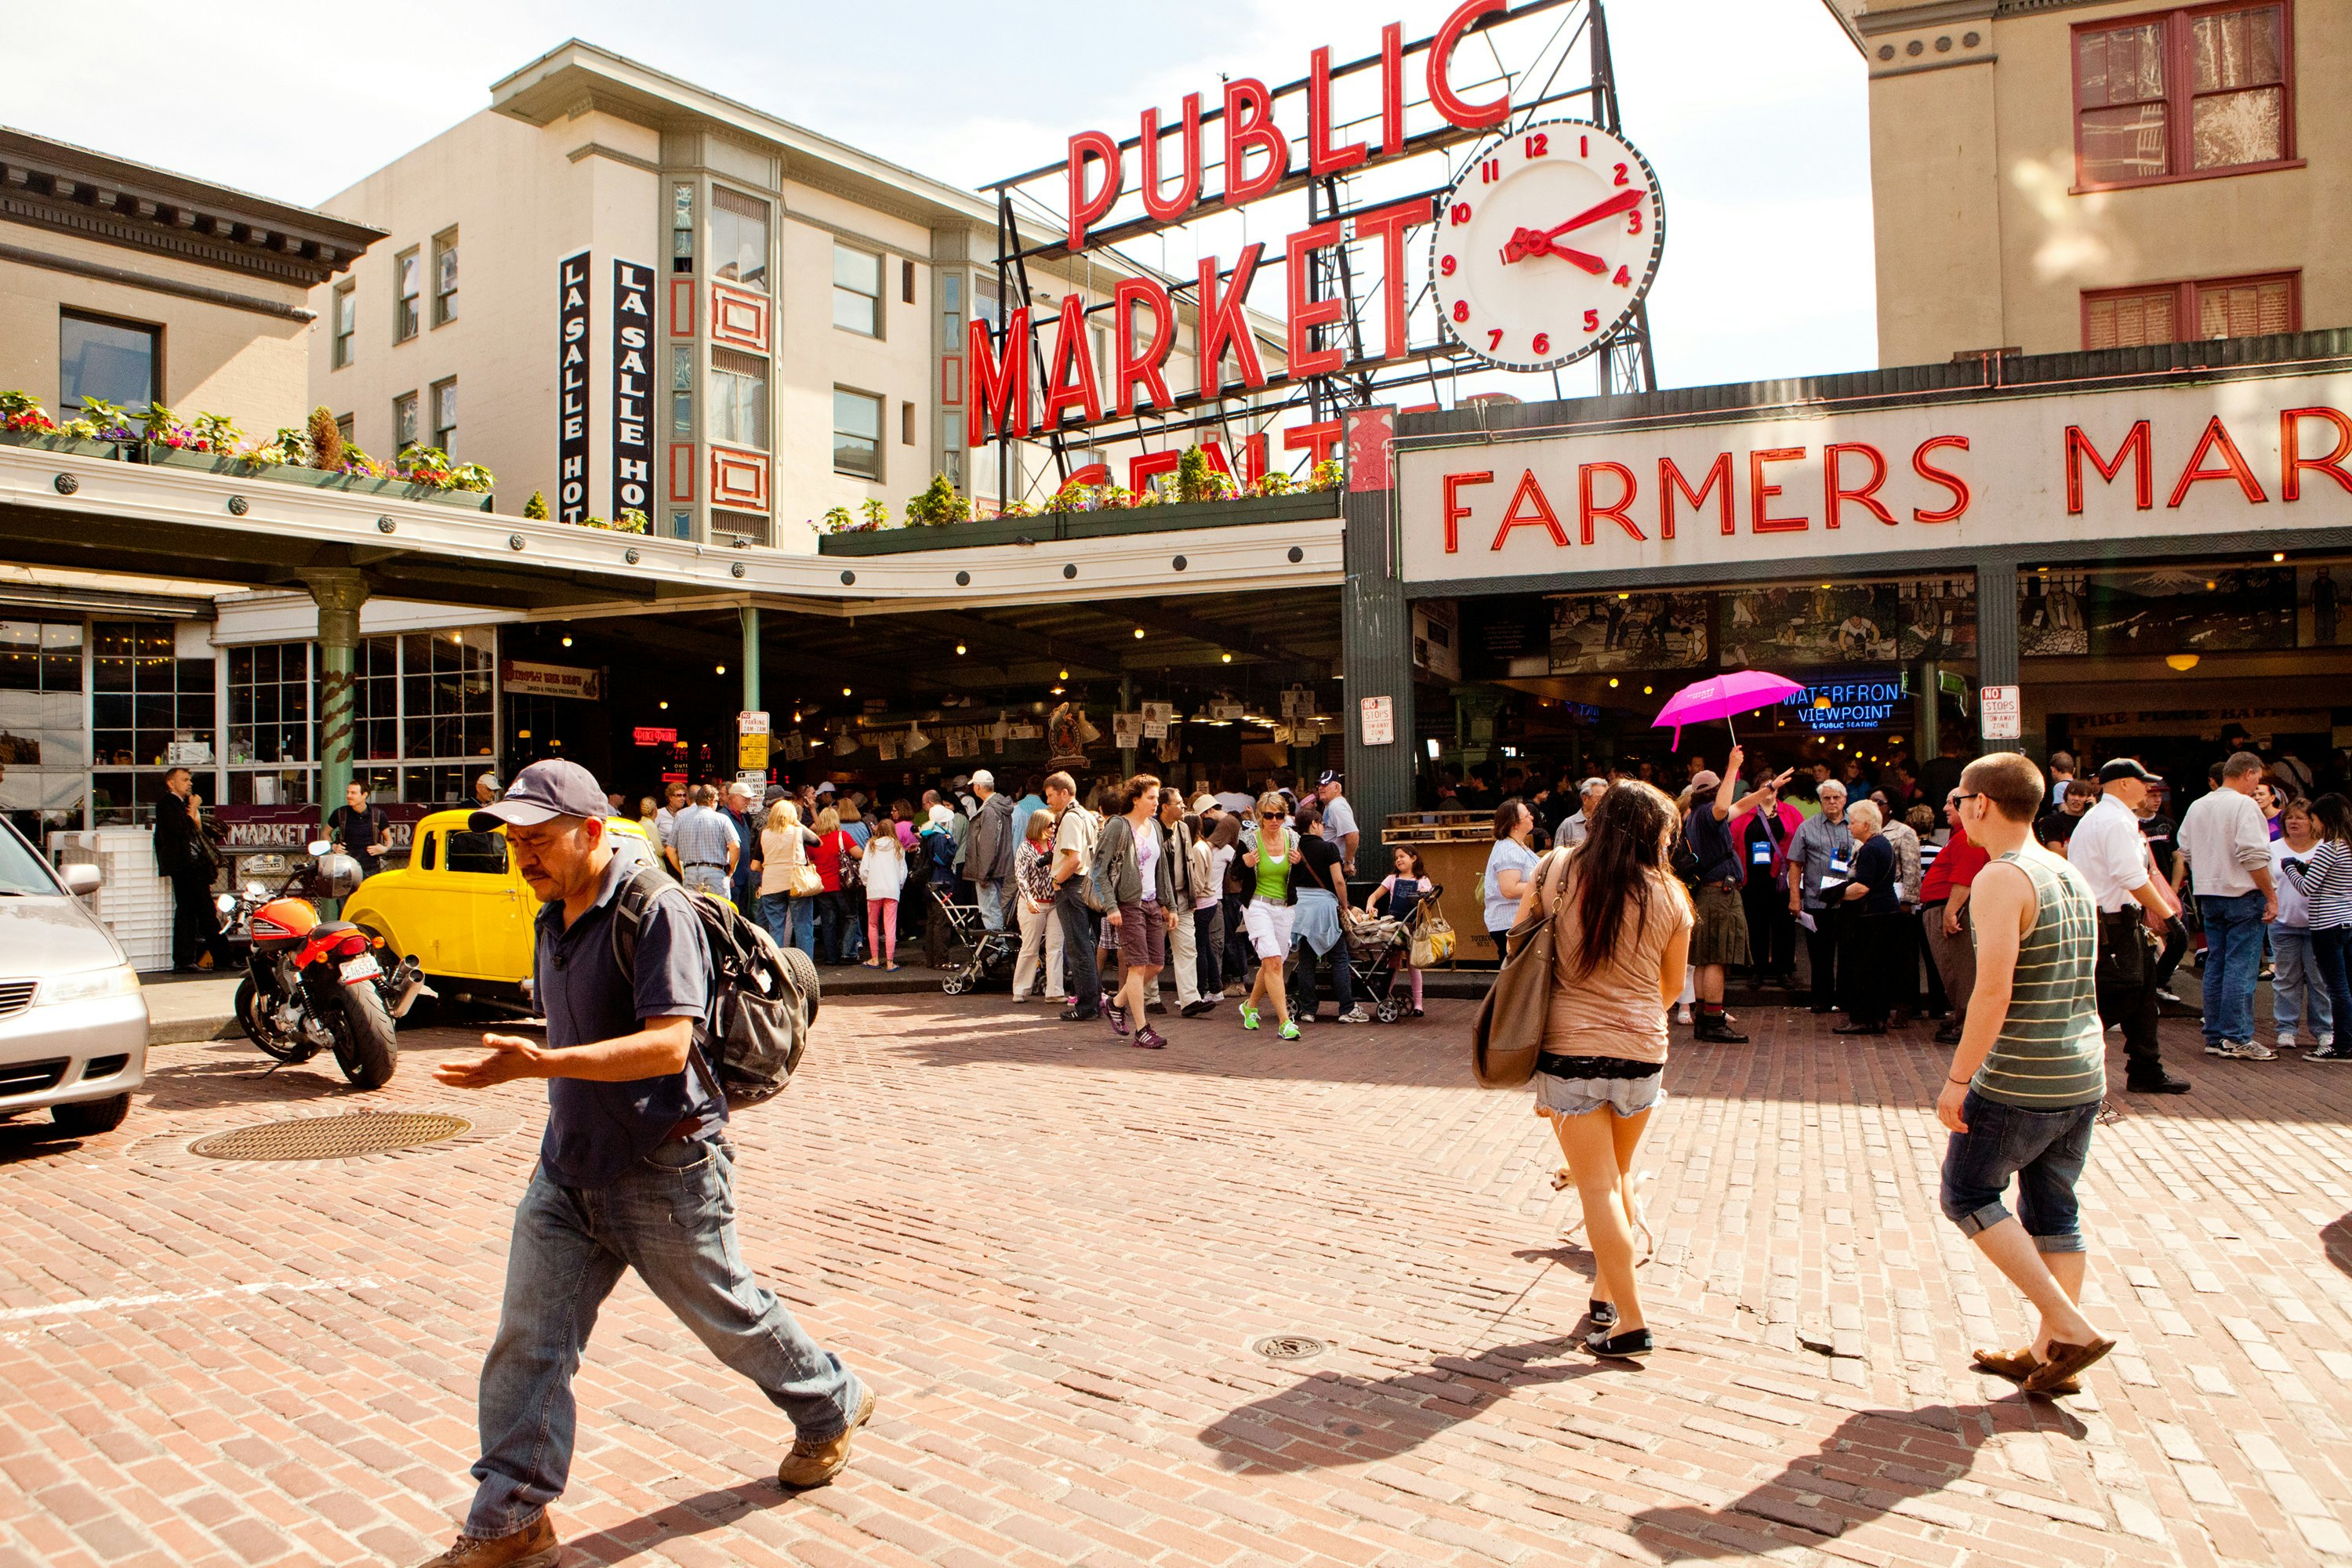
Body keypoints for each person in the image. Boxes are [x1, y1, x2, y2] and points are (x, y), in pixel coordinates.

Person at [418, 760, 870, 1568]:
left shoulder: (655, 908)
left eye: (540, 840)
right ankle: (512, 1513)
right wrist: (548, 1070)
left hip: (667, 1167)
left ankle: (831, 1400)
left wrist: (543, 1065)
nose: (525, 857)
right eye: (516, 843)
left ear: (592, 831)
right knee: (528, 1342)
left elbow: (668, 1044)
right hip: (568, 1168)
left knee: (732, 1319)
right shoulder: (553, 911)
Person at [1935, 750, 2118, 1397]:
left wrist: (1958, 1080)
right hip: (2080, 1068)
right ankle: (2050, 1353)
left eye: (1959, 798)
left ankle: (2069, 1328)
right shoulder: (2064, 873)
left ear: (1982, 803)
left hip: (2023, 1076)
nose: (1954, 808)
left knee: (1967, 1193)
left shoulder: (2001, 878)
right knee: (2052, 1210)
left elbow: (1993, 992)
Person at [1516, 779, 1693, 1362]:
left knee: (1596, 1187)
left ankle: (1632, 1320)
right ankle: (1604, 1297)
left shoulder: (1555, 870)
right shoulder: (1671, 895)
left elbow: (1517, 944)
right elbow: (1669, 988)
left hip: (1569, 1048)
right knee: (1617, 1177)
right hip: (1643, 1051)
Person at [2060, 757, 2192, 1090]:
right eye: (2142, 781)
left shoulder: (2104, 818)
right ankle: (2063, 1055)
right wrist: (2167, 916)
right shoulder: (2115, 820)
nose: (2149, 788)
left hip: (2117, 920)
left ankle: (2146, 1068)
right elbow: (2130, 875)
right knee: (2123, 993)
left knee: (2144, 995)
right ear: (2121, 784)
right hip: (2113, 923)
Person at [2176, 751, 2280, 1058]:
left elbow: (2185, 848)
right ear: (2248, 773)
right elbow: (2253, 855)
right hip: (2242, 893)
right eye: (2257, 778)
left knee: (2217, 964)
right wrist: (2271, 895)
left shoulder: (2199, 805)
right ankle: (2236, 1036)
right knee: (2241, 967)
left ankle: (2216, 1035)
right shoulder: (2245, 805)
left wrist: (2207, 873)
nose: (2257, 786)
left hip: (2210, 893)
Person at [1683, 751, 1788, 1043]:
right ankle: (1714, 1022)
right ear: (1715, 791)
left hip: (1708, 893)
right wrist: (1732, 767)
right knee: (1715, 959)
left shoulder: (1697, 816)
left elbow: (1741, 805)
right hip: (1719, 894)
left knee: (1705, 960)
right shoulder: (1709, 813)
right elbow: (1723, 805)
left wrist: (1768, 789)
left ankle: (1704, 1020)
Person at [1093, 774, 1172, 1050]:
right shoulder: (1118, 826)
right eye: (1151, 797)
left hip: (1151, 903)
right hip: (1129, 904)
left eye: (1157, 797)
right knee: (1137, 966)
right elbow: (1098, 870)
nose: (1156, 803)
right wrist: (1111, 906)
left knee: (1156, 965)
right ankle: (1143, 1029)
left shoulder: (1156, 827)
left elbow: (1161, 870)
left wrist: (1168, 904)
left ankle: (1115, 1003)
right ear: (1135, 799)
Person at [1919, 789, 1990, 1047]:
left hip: (1949, 908)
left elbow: (1965, 877)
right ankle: (1962, 1019)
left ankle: (1967, 1025)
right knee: (1953, 971)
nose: (1946, 809)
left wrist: (1950, 912)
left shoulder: (1969, 837)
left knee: (1960, 971)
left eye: (1953, 803)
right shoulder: (1959, 836)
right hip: (1942, 906)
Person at [1289, 802, 1365, 1025]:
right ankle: (1346, 1008)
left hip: (1300, 909)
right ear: (1314, 824)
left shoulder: (1294, 849)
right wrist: (1344, 905)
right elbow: (1339, 880)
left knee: (1306, 959)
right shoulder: (1329, 848)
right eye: (1321, 824)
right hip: (1324, 908)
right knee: (1340, 957)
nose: (1323, 828)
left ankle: (1308, 1010)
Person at [1238, 792, 1302, 1040]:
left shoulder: (1293, 838)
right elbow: (1234, 873)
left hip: (1284, 907)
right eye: (1269, 815)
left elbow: (1297, 879)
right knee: (1273, 960)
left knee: (1272, 962)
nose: (1275, 820)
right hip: (1257, 905)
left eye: (1280, 815)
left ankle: (1250, 1006)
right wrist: (1244, 862)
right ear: (1261, 817)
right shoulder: (1249, 839)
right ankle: (1285, 1022)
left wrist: (1298, 865)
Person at [1788, 779, 1855, 1014]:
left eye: (1836, 797)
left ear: (1845, 800)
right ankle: (1821, 999)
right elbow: (1795, 865)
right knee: (1820, 955)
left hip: (1849, 900)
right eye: (1827, 798)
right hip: (1817, 901)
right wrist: (1795, 898)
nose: (1832, 802)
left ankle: (1846, 998)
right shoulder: (1807, 827)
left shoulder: (1856, 825)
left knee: (1849, 952)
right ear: (1820, 801)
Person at [154, 767, 231, 974]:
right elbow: (180, 829)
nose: (190, 783)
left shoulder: (181, 804)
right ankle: (221, 957)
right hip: (185, 866)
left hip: (192, 865)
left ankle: (185, 959)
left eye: (190, 780)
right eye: (185, 779)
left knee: (188, 912)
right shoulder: (166, 804)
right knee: (204, 911)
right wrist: (194, 808)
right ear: (171, 783)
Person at [2273, 799, 2335, 1054]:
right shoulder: (2273, 848)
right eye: (2290, 818)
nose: (2294, 822)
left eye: (2300, 817)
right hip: (2283, 923)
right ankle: (2286, 1029)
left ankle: (2324, 1030)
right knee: (2286, 978)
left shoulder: (2324, 849)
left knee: (2320, 980)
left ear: (2313, 822)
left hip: (2319, 924)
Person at [1832, 801, 1899, 1036]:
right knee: (1879, 968)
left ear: (1867, 824)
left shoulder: (1870, 848)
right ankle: (1878, 1017)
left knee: (1861, 968)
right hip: (1886, 911)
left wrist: (1836, 895)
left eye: (1853, 822)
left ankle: (1861, 1018)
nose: (1850, 827)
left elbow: (1862, 887)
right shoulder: (1884, 844)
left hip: (1870, 915)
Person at [1732, 771, 1802, 987]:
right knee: (1756, 925)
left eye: (1773, 785)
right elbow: (1733, 842)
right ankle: (1757, 970)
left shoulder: (1791, 813)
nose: (1770, 789)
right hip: (1753, 879)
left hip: (1782, 879)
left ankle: (1784, 971)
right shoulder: (1745, 813)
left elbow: (1801, 844)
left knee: (1784, 926)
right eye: (1765, 785)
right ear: (1758, 789)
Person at [1045, 772, 1103, 1022]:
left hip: (1071, 886)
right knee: (1085, 947)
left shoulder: (1070, 819)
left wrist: (1057, 880)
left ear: (1064, 793)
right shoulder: (1087, 816)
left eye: (1050, 796)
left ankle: (1087, 1004)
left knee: (1078, 949)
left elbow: (1074, 858)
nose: (1048, 802)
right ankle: (1093, 1000)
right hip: (1087, 885)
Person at [1142, 789, 1204, 1017]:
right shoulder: (1151, 829)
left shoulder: (1185, 828)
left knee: (1188, 947)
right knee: (1153, 951)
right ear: (1165, 807)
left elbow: (1189, 865)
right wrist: (1161, 902)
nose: (1183, 807)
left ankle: (1190, 999)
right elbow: (1153, 868)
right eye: (1179, 803)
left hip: (1183, 898)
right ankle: (1150, 998)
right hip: (1158, 901)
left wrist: (1192, 896)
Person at [2300, 793, 2352, 1064]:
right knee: (2348, 984)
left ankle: (2342, 1044)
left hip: (2326, 923)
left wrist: (2291, 870)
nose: (2313, 824)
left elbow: (2307, 887)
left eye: (2313, 818)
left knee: (2336, 987)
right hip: (2348, 920)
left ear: (2325, 819)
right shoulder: (2349, 846)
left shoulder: (2328, 848)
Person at [1367, 845, 1434, 1017]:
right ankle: (1384, 997)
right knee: (1393, 963)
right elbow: (1374, 896)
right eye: (1396, 857)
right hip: (1395, 927)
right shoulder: (1392, 879)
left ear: (1413, 858)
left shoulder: (1423, 880)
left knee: (1414, 965)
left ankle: (1419, 1003)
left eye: (1402, 856)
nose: (1398, 860)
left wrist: (1427, 895)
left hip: (1412, 927)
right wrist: (1370, 905)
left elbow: (1429, 902)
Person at [1010, 808, 1067, 1005]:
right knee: (1030, 946)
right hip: (1034, 903)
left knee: (1055, 947)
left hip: (1055, 902)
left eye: (1054, 824)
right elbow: (1021, 877)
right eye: (1049, 824)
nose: (1053, 827)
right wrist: (1029, 899)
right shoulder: (1025, 848)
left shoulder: (1056, 845)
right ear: (1039, 825)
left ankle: (1054, 991)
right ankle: (1020, 989)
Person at [1189, 811, 1240, 1014]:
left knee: (1203, 946)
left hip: (1203, 902)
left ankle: (1200, 991)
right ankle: (1216, 986)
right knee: (1213, 945)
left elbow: (1198, 883)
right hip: (1216, 899)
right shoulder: (1225, 850)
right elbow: (1238, 863)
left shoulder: (1198, 849)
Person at [756, 799, 818, 957]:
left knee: (776, 927)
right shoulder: (798, 831)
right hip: (795, 883)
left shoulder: (764, 834)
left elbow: (754, 865)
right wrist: (798, 824)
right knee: (803, 926)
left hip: (771, 885)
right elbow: (818, 842)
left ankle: (777, 966)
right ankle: (806, 965)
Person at [1484, 799, 1541, 960]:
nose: (1532, 818)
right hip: (1511, 923)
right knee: (1515, 973)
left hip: (1519, 921)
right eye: (1527, 816)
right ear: (1515, 824)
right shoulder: (1508, 849)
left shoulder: (1518, 845)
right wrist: (1541, 886)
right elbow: (1509, 889)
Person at [964, 770, 1018, 934]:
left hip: (990, 871)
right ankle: (999, 949)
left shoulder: (989, 810)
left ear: (978, 787)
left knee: (990, 911)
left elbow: (988, 844)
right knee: (996, 910)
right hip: (1002, 867)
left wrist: (983, 873)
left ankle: (998, 951)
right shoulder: (1001, 807)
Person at [668, 785, 737, 901]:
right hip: (715, 873)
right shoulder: (722, 819)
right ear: (711, 801)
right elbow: (735, 846)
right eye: (716, 801)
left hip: (690, 874)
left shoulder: (682, 820)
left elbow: (670, 849)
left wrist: (682, 871)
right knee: (719, 913)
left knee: (693, 915)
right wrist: (731, 870)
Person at [807, 806, 857, 965]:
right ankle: (848, 953)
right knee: (849, 917)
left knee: (828, 922)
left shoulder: (814, 840)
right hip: (842, 885)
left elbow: (810, 860)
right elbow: (859, 854)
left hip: (822, 886)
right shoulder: (843, 836)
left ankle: (831, 956)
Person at [858, 816, 908, 970]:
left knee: (873, 924)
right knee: (890, 926)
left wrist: (867, 883)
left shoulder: (871, 845)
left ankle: (874, 958)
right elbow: (903, 871)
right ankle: (890, 962)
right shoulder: (898, 846)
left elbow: (864, 869)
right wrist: (899, 885)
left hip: (874, 889)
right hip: (892, 889)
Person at [328, 779, 392, 880]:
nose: (348, 796)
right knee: (346, 896)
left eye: (353, 793)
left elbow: (389, 840)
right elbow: (325, 833)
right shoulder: (340, 813)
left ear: (364, 795)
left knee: (368, 896)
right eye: (348, 792)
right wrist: (333, 846)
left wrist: (384, 849)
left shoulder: (378, 814)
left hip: (370, 868)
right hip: (345, 868)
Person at [722, 782, 760, 919]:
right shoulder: (723, 817)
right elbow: (721, 847)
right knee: (733, 915)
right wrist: (729, 874)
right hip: (733, 877)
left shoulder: (743, 817)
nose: (748, 802)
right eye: (745, 799)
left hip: (744, 876)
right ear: (733, 797)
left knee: (743, 914)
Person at [1316, 771, 1359, 877]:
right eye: (1319, 785)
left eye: (1325, 784)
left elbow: (1352, 834)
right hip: (1331, 864)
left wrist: (1348, 862)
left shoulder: (1337, 806)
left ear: (1336, 788)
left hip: (1335, 865)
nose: (1321, 788)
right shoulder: (1331, 805)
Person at [654, 781, 688, 874]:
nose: (682, 799)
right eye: (678, 795)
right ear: (670, 797)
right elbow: (652, 835)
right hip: (665, 859)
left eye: (684, 795)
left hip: (682, 858)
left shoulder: (686, 814)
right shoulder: (660, 813)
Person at [1560, 778, 1606, 846]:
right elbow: (1558, 855)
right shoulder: (1568, 825)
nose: (1604, 803)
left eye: (1606, 799)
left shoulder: (1608, 824)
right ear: (1585, 799)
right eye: (1599, 799)